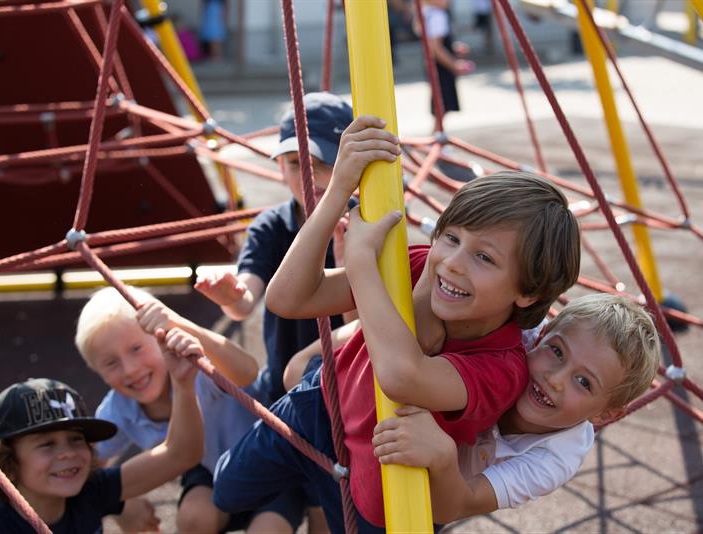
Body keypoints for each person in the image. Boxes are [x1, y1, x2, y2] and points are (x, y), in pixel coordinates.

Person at [211, 115, 581, 533]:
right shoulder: (421, 262)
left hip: (379, 483)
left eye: (485, 258)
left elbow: (402, 377)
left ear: (528, 292)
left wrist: (363, 261)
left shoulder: (503, 366)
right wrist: (336, 192)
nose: (454, 264)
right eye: (452, 238)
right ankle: (302, 491)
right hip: (320, 407)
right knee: (225, 491)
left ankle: (312, 495)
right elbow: (287, 298)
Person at [372, 293, 661, 523]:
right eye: (557, 351)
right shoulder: (516, 335)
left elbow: (458, 505)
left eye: (584, 382)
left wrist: (444, 458)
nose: (556, 379)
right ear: (542, 334)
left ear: (605, 414)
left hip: (434, 490)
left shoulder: (555, 458)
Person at [74, 286, 297, 533]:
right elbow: (88, 461)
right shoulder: (120, 408)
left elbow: (247, 372)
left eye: (136, 349)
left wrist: (181, 325)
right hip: (213, 475)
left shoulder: (195, 366)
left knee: (268, 530)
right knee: (194, 518)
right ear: (97, 372)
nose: (129, 369)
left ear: (161, 336)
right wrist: (120, 504)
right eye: (111, 363)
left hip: (271, 466)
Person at [194, 91, 355, 408]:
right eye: (297, 164)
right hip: (283, 392)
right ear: (281, 168)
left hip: (347, 388)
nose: (311, 177)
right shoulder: (271, 226)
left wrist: (345, 260)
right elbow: (246, 299)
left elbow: (363, 325)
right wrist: (233, 297)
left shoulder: (364, 224)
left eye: (324, 164)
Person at [0, 352, 203, 532]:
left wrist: (182, 384)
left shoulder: (90, 491)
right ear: (6, 459)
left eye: (77, 439)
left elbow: (181, 454)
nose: (68, 452)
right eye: (47, 444)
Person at [418, 0, 475, 115]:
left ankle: (438, 130)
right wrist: (454, 64)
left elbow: (434, 43)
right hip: (441, 66)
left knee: (441, 103)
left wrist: (452, 47)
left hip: (432, 63)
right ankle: (437, 131)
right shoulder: (437, 15)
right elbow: (435, 47)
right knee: (443, 103)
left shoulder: (426, 13)